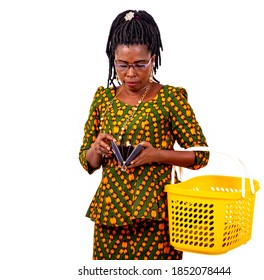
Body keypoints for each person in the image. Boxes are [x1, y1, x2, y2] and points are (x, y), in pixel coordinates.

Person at [79, 9, 209, 260]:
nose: (130, 73)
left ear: (153, 58)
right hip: (110, 216)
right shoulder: (103, 99)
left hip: (158, 218)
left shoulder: (170, 98)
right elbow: (88, 162)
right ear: (112, 59)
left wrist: (157, 155)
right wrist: (97, 147)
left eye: (140, 64)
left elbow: (201, 156)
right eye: (122, 65)